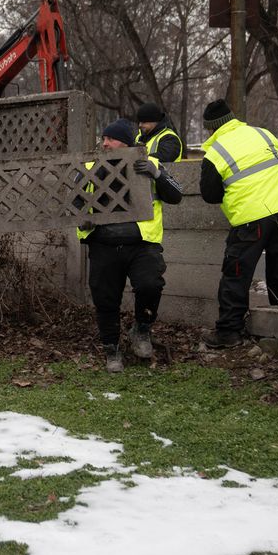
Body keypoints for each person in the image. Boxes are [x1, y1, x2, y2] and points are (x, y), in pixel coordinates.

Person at [79, 118, 183, 372]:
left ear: (126, 142)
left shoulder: (150, 163)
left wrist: (156, 174)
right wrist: (84, 221)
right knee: (105, 298)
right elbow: (73, 204)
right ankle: (111, 348)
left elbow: (176, 194)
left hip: (141, 243)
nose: (105, 144)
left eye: (110, 139)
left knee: (150, 285)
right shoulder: (90, 166)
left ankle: (142, 329)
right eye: (103, 139)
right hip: (103, 243)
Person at [199, 99, 278, 348]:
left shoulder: (215, 152)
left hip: (250, 218)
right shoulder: (264, 134)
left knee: (236, 275)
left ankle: (229, 333)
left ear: (211, 128)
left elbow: (210, 194)